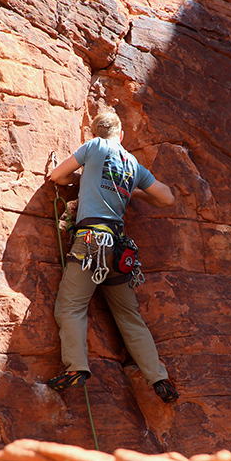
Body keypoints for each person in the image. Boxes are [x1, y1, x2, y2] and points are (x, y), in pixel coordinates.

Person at [47, 110, 179, 403]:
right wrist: (134, 190)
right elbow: (167, 198)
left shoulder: (94, 147)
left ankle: (77, 367)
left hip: (91, 242)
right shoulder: (132, 163)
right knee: (129, 317)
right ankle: (159, 378)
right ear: (121, 135)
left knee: (70, 309)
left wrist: (82, 177)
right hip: (118, 251)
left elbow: (57, 176)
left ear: (95, 133)